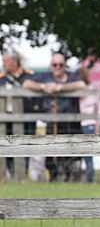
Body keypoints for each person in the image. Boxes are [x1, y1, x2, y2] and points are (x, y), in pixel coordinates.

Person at [23, 53, 87, 181]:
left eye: (61, 64)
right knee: (51, 155)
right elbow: (26, 84)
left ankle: (71, 180)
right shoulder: (44, 77)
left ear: (64, 66)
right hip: (52, 122)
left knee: (72, 155)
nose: (57, 67)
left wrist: (60, 88)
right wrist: (43, 87)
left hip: (71, 122)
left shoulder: (72, 76)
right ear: (51, 65)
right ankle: (54, 178)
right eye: (55, 64)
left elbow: (81, 85)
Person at [2, 50, 35, 180]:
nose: (3, 64)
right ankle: (12, 175)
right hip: (7, 121)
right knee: (8, 147)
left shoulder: (29, 76)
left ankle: (23, 175)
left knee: (27, 147)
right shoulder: (2, 79)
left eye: (6, 61)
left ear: (15, 62)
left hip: (27, 118)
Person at [76, 65, 99, 183]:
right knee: (88, 153)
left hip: (86, 122)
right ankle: (88, 178)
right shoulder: (93, 89)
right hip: (90, 122)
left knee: (87, 154)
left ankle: (89, 179)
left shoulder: (82, 90)